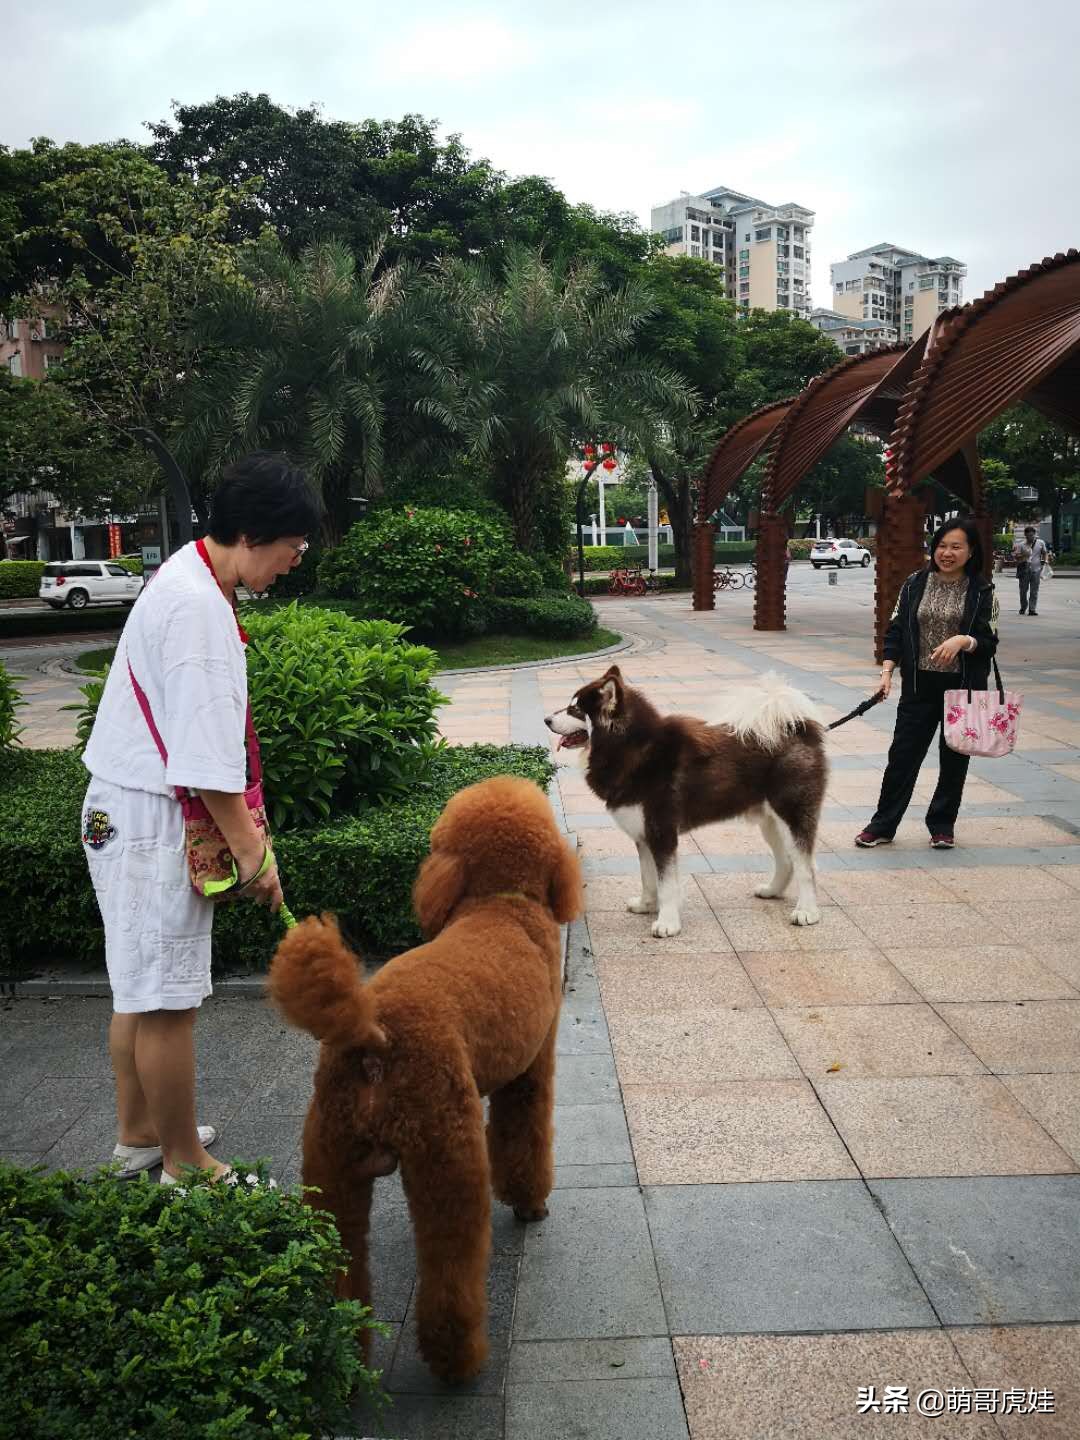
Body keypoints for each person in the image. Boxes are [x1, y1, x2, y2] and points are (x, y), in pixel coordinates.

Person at [81, 452, 320, 1183]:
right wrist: (255, 855)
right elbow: (201, 758)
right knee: (167, 1000)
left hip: (119, 810)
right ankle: (186, 1165)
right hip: (151, 820)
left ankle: (141, 1132)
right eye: (293, 549)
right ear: (254, 534)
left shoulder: (187, 577)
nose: (293, 564)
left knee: (139, 983)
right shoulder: (196, 608)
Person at [855, 517, 998, 851]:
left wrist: (964, 640)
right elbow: (895, 630)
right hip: (919, 687)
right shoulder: (915, 583)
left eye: (956, 546)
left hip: (962, 690)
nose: (947, 553)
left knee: (953, 761)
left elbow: (989, 642)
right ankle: (883, 824)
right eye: (942, 546)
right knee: (902, 757)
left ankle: (942, 825)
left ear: (971, 550)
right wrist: (887, 671)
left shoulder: (983, 591)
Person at [1017, 525, 1050, 615]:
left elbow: (1045, 553)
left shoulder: (1040, 543)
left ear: (1035, 534)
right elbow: (1016, 557)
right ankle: (1023, 606)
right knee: (1023, 590)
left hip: (1036, 569)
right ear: (1025, 535)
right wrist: (1024, 555)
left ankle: (1032, 609)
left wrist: (1045, 560)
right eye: (1028, 536)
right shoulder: (1021, 544)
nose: (1031, 537)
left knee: (1034, 591)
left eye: (1032, 535)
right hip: (1024, 570)